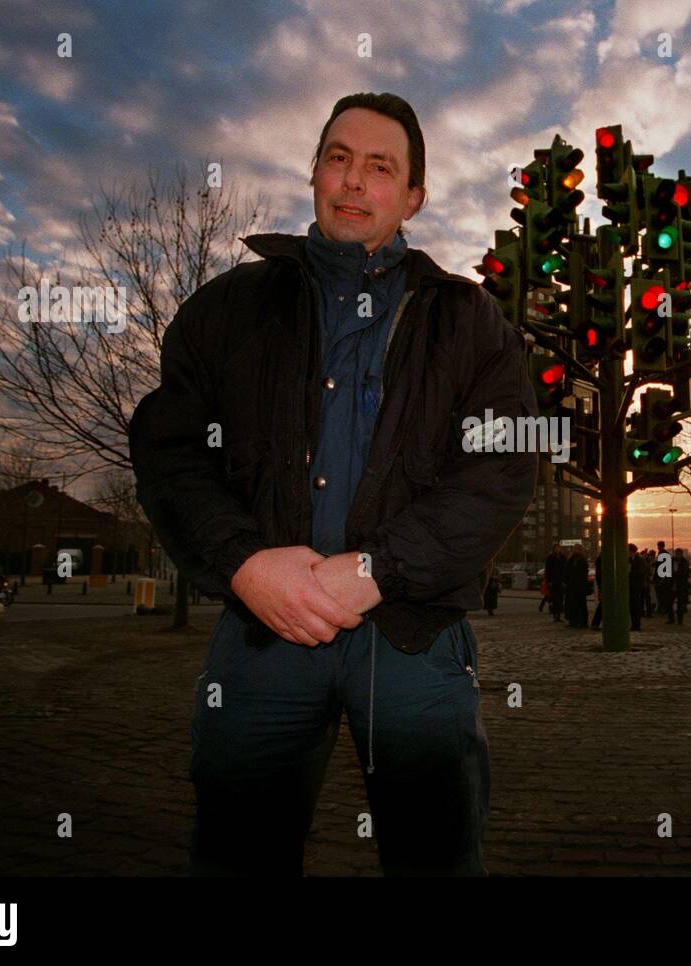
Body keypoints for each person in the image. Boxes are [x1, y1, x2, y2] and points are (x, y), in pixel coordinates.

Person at [129, 93, 537, 877]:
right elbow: (171, 451)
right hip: (262, 634)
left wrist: (378, 570)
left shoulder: (469, 319)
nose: (354, 181)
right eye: (338, 158)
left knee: (435, 856)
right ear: (314, 172)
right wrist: (247, 565)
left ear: (413, 196)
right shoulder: (225, 309)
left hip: (412, 638)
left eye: (380, 167)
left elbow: (498, 471)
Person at [563, 545, 590, 629]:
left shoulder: (581, 560)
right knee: (573, 605)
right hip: (572, 586)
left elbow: (581, 573)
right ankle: (574, 621)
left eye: (576, 549)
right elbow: (567, 570)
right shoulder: (572, 559)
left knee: (580, 605)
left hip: (578, 586)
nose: (574, 551)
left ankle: (581, 622)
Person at [627, 543, 647, 631]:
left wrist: (630, 573)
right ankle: (634, 624)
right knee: (632, 606)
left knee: (636, 606)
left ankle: (636, 625)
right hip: (631, 586)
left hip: (637, 586)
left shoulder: (640, 559)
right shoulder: (630, 559)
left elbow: (642, 572)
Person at [655, 540, 675, 624]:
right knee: (666, 599)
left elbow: (661, 568)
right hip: (665, 580)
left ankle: (666, 612)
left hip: (664, 580)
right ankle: (666, 612)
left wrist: (661, 579)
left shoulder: (662, 554)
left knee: (665, 598)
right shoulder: (666, 554)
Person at [545, 544, 566, 623]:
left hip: (560, 581)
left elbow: (565, 569)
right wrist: (549, 581)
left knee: (560, 599)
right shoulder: (550, 558)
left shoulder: (563, 557)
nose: (558, 550)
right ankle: (555, 615)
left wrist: (564, 580)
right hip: (553, 581)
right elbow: (548, 570)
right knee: (554, 599)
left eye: (559, 548)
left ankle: (559, 615)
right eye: (556, 548)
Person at [675, 548, 691, 625]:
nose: (677, 556)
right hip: (674, 584)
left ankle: (680, 620)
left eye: (679, 554)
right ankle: (672, 618)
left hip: (681, 585)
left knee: (680, 603)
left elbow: (685, 572)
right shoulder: (673, 561)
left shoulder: (684, 562)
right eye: (676, 554)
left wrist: (677, 572)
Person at [591, 552, 603, 629]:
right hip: (605, 585)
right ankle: (595, 623)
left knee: (602, 605)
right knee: (602, 605)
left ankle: (595, 623)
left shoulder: (599, 559)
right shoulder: (602, 559)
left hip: (602, 584)